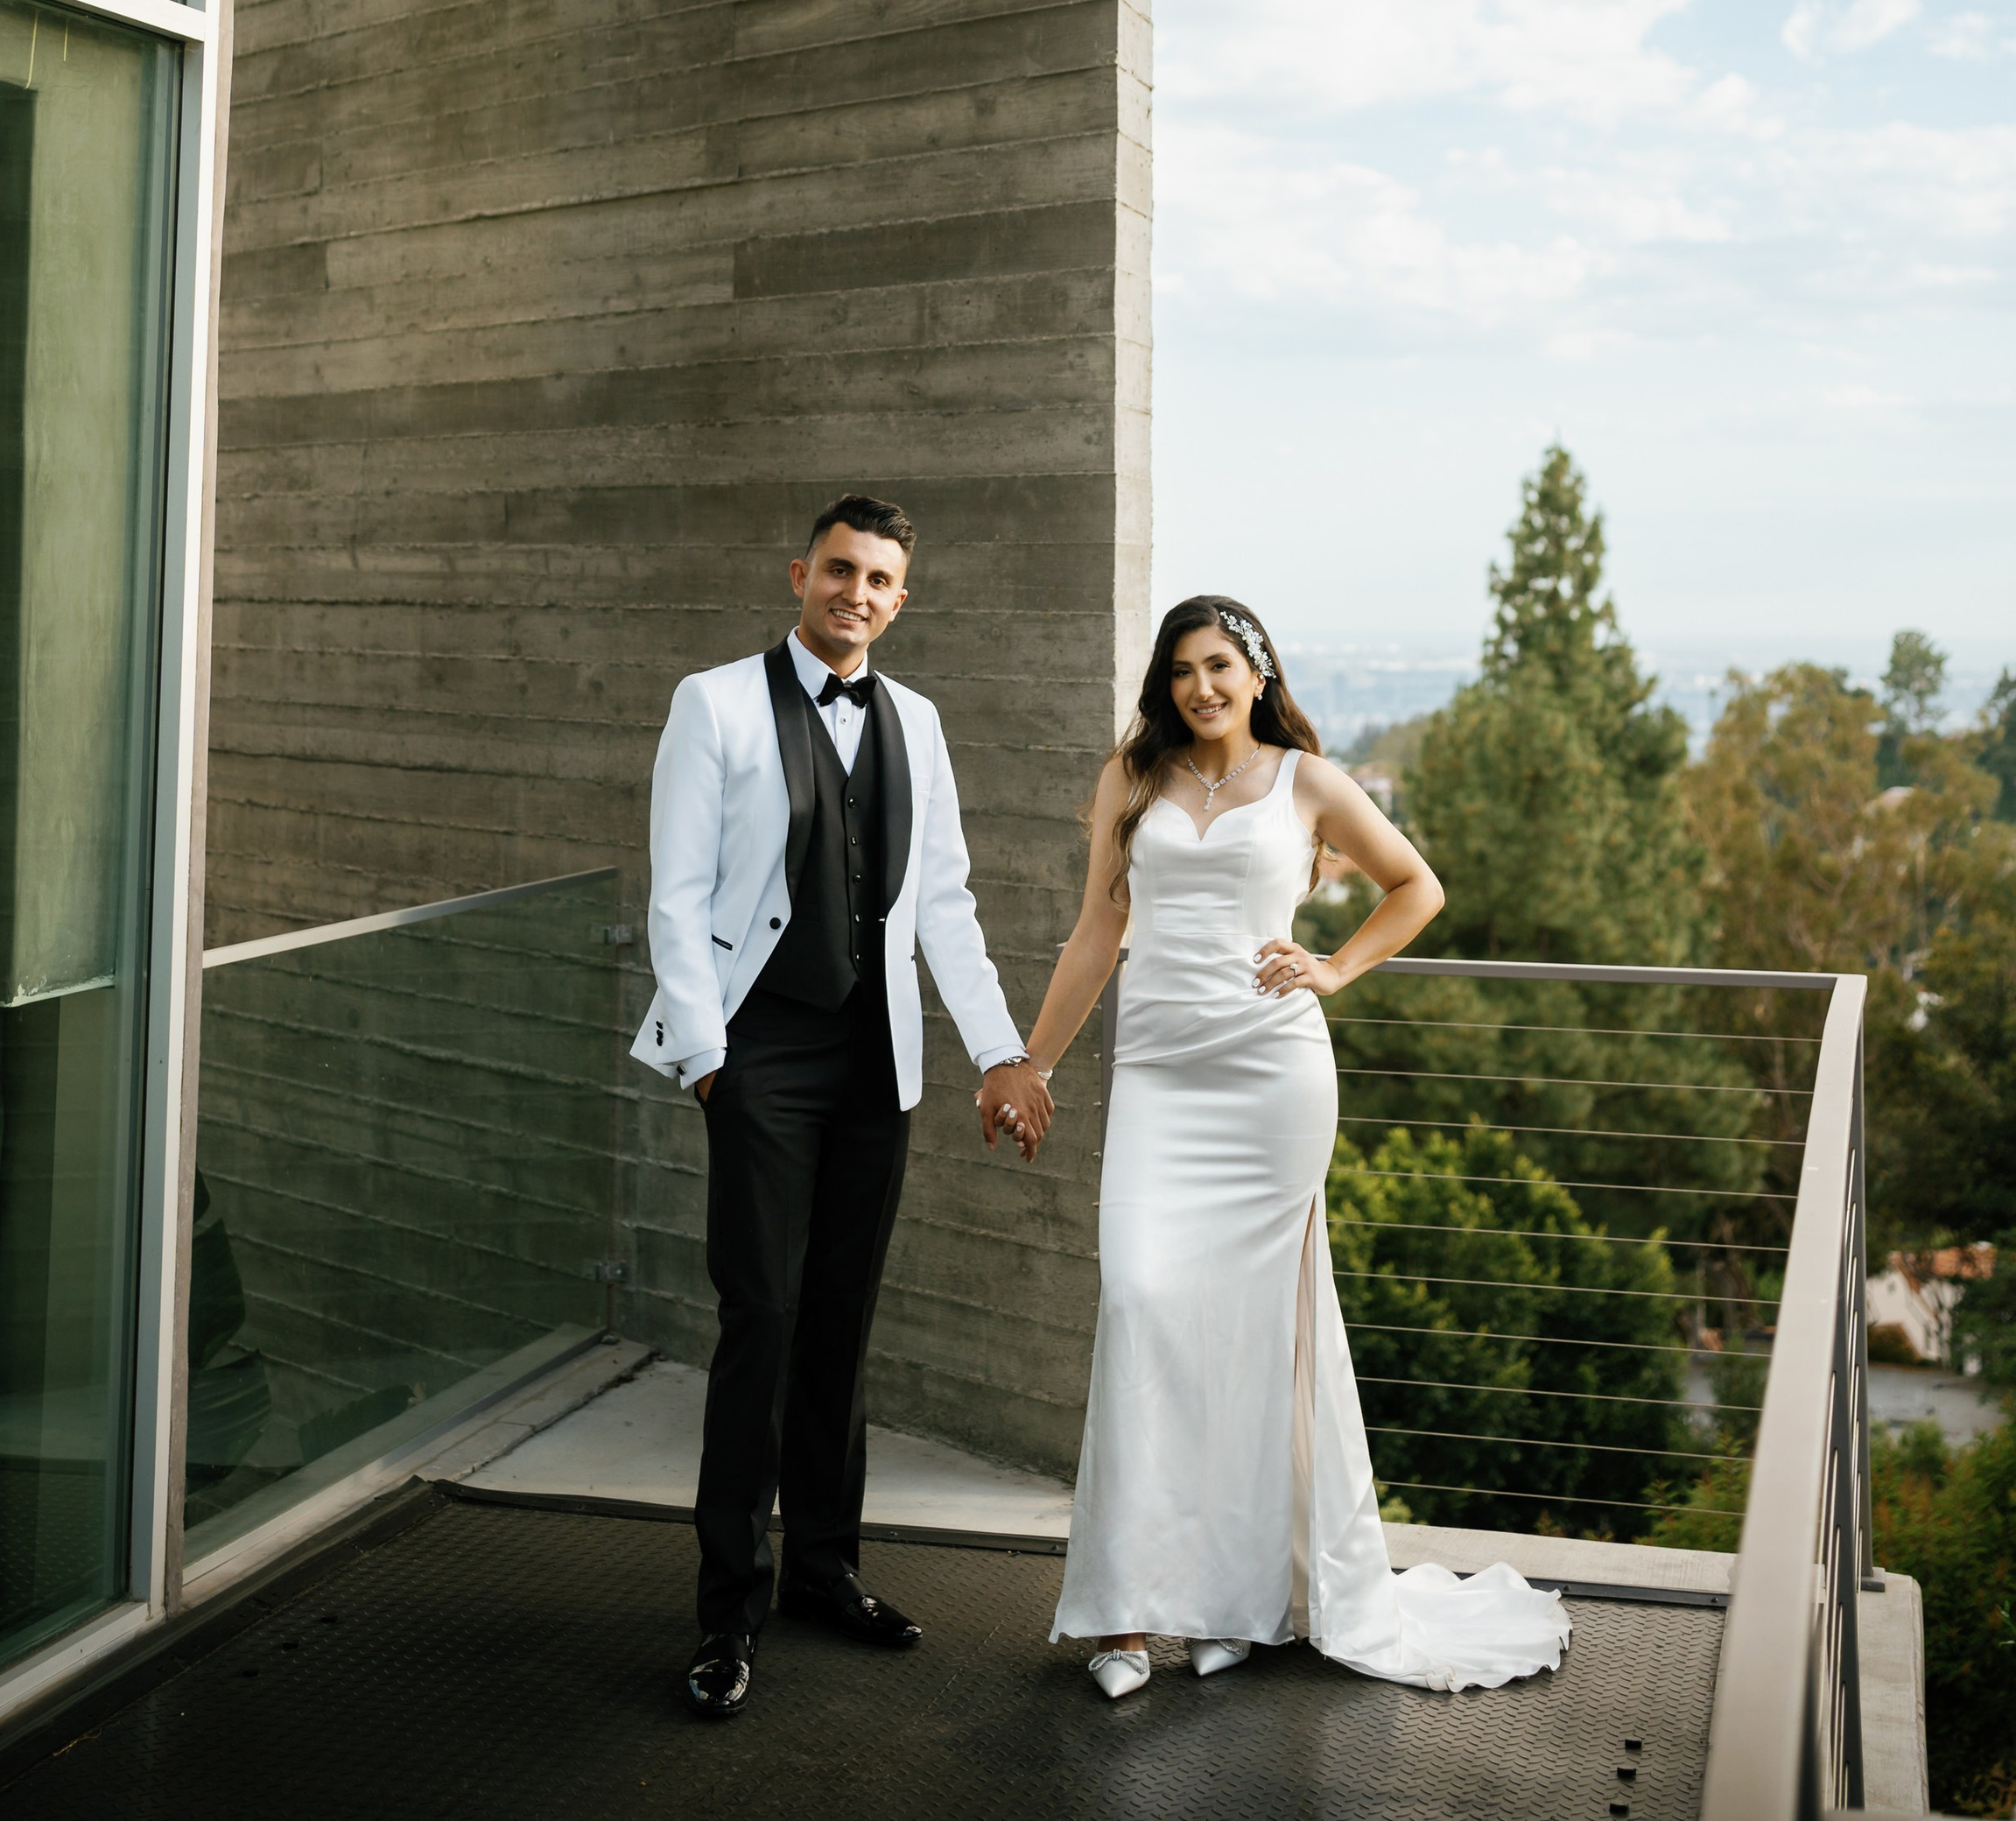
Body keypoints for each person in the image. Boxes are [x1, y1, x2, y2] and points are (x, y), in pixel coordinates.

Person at [1021, 594, 1571, 1700]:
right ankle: (1122, 1617)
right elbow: (1097, 932)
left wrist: (1334, 969)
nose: (1199, 688)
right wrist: (1032, 1066)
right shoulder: (1129, 778)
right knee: (1138, 1305)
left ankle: (1234, 1602)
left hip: (1272, 1080)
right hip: (1160, 1082)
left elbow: (1417, 886)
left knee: (1250, 1343)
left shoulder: (1308, 782)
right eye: (1181, 670)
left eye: (1219, 665)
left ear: (1259, 674)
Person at [632, 492, 1054, 1720]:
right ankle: (727, 1614)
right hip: (759, 1058)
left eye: (879, 580)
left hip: (878, 1067)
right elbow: (677, 893)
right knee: (759, 1322)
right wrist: (709, 1059)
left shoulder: (917, 720)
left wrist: (999, 1053)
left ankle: (825, 1572)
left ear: (899, 601)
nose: (855, 593)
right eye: (838, 570)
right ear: (799, 575)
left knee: (839, 1327)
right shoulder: (712, 703)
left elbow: (947, 906)